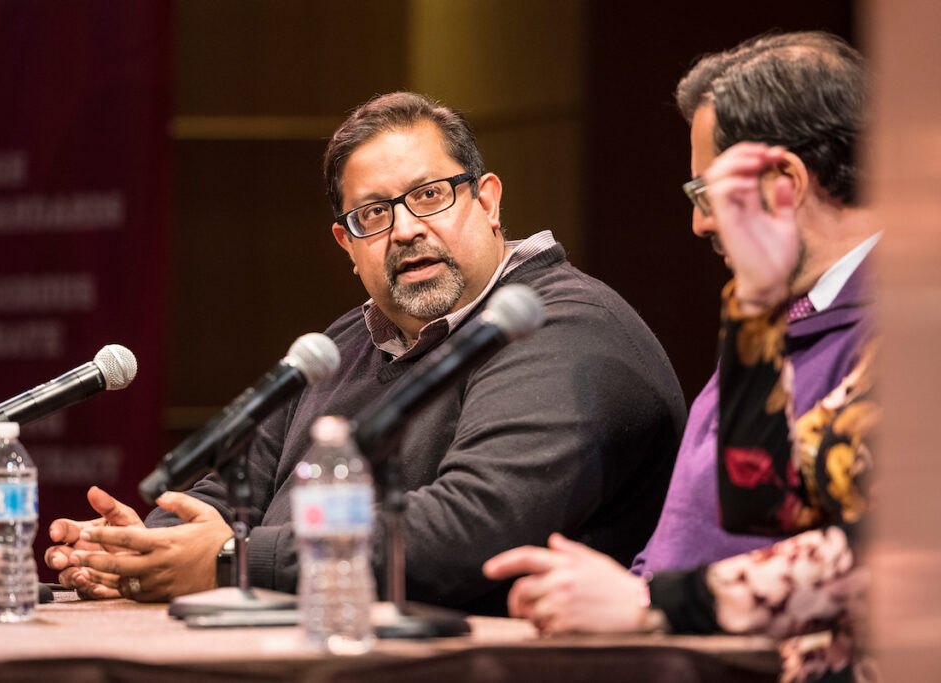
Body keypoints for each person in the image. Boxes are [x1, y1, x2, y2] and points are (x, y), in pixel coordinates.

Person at [44, 92, 687, 615]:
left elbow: (468, 532)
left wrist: (227, 561)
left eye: (430, 195)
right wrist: (143, 548)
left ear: (488, 200)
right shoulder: (347, 342)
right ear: (346, 246)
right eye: (373, 215)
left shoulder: (563, 327)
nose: (405, 229)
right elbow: (236, 488)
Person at [483, 30, 878, 678]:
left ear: (784, 183)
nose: (698, 223)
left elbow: (885, 560)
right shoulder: (778, 316)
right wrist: (755, 301)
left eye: (708, 195)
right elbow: (762, 503)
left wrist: (646, 603)